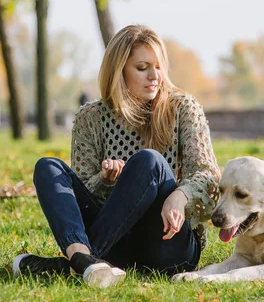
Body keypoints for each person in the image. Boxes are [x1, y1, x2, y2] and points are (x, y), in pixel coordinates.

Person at [13, 25, 220, 287]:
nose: (154, 76)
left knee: (150, 162)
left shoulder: (183, 107)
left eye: (158, 66)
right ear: (119, 71)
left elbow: (209, 178)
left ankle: (77, 263)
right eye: (142, 68)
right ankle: (86, 261)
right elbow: (80, 197)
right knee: (48, 167)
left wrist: (180, 196)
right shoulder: (90, 117)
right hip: (115, 243)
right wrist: (105, 181)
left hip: (167, 245)